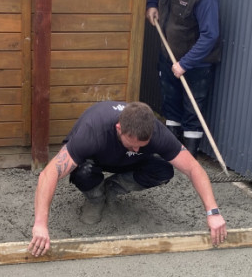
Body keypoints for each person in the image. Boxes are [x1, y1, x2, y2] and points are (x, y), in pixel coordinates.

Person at [28, 100, 227, 257]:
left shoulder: (157, 133)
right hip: (95, 161)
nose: (137, 148)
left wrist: (213, 212)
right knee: (83, 172)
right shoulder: (93, 130)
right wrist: (40, 225)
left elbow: (193, 168)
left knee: (163, 170)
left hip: (128, 162)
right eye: (132, 144)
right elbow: (48, 174)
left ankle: (112, 188)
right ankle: (96, 199)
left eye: (142, 145)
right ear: (119, 128)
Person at [145, 0, 221, 158]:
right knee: (170, 103)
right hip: (169, 53)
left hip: (197, 62)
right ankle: (170, 151)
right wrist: (151, 5)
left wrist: (185, 64)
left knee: (192, 109)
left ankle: (189, 158)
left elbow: (210, 35)